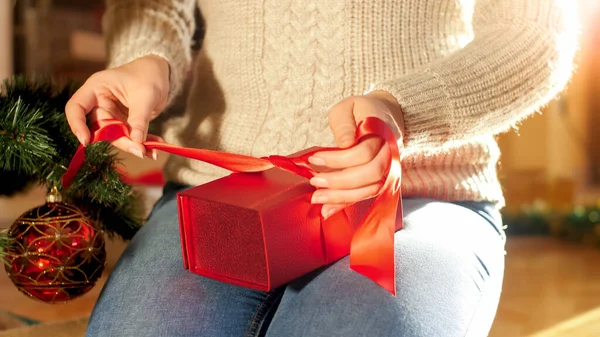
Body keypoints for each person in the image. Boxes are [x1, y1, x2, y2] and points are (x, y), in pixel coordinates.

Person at [65, 0, 578, 336]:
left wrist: (404, 112)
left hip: (417, 194)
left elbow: (535, 35)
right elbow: (154, 7)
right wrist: (148, 58)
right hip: (218, 192)